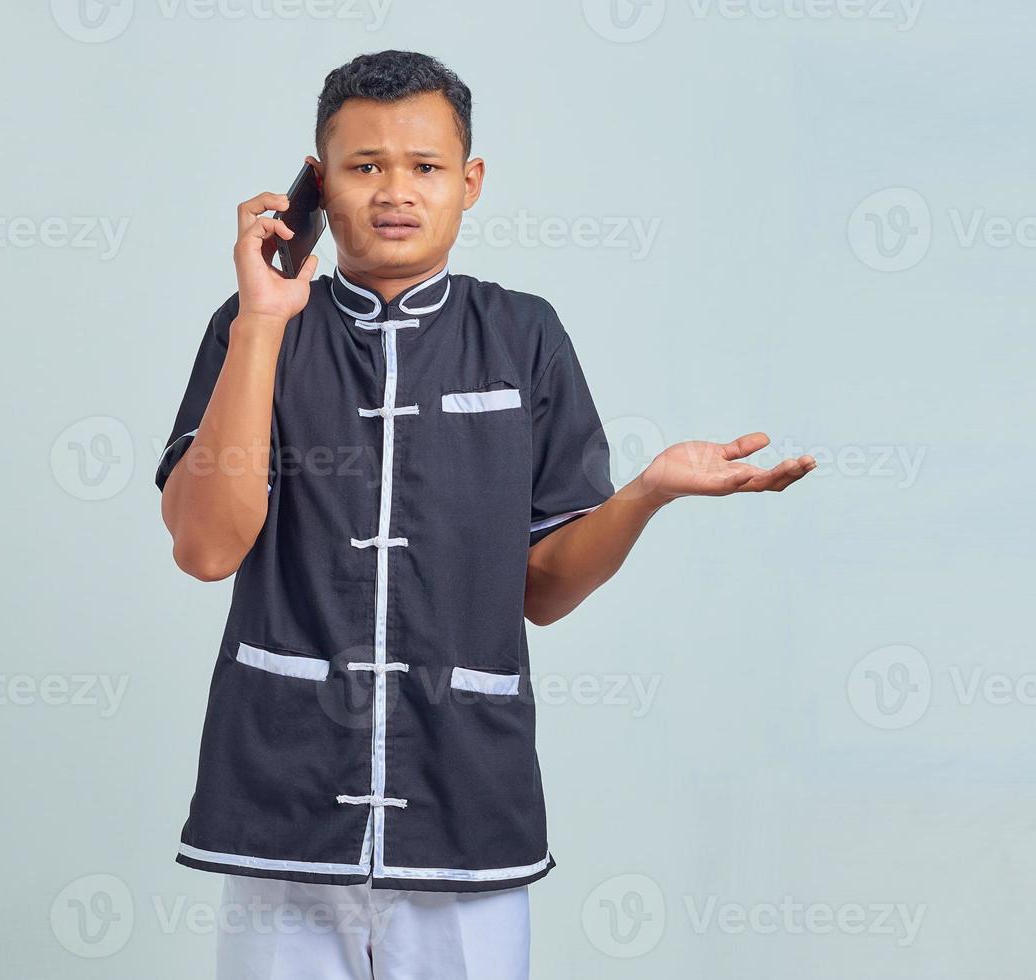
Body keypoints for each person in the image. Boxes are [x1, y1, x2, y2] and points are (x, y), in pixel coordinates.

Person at [155, 49, 816, 980]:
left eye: (425, 167)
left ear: (470, 183)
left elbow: (542, 591)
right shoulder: (252, 328)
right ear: (317, 185)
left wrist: (647, 493)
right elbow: (207, 548)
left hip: (463, 799)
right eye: (363, 166)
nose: (395, 191)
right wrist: (263, 320)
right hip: (283, 798)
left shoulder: (524, 336)